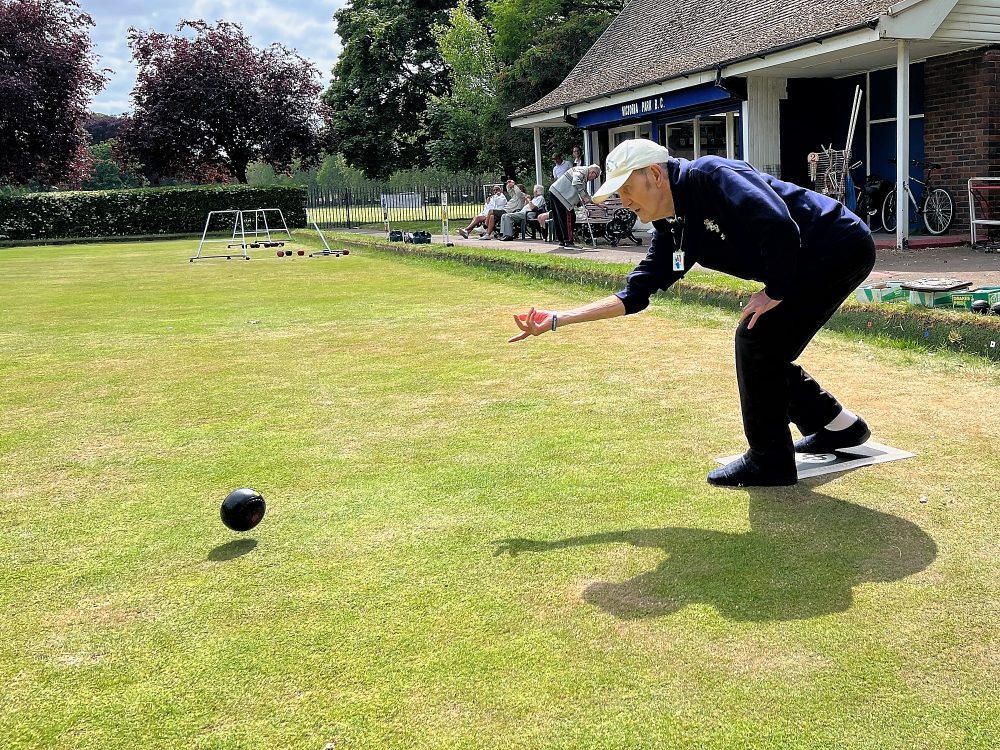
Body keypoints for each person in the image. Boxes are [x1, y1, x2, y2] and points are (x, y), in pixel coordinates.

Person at [509, 139, 876, 488]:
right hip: (806, 259)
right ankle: (840, 427)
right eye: (617, 192)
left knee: (758, 340)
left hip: (837, 247)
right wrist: (559, 319)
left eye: (626, 188)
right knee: (764, 347)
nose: (623, 200)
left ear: (654, 174)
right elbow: (636, 293)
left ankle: (770, 459)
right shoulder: (672, 227)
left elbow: (778, 223)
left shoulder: (712, 176)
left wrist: (775, 291)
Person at [547, 164, 601, 249]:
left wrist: (596, 203)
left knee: (559, 218)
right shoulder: (582, 171)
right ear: (593, 173)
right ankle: (568, 242)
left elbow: (584, 192)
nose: (593, 180)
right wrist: (583, 196)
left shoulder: (583, 174)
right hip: (562, 196)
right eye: (595, 177)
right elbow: (576, 182)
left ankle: (562, 240)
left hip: (555, 192)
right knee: (569, 218)